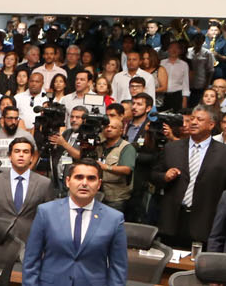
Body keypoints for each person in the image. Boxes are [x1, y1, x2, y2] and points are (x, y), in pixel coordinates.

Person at [23, 159, 128, 286]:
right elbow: (31, 260)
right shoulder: (46, 212)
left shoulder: (114, 218)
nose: (84, 183)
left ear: (99, 184)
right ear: (68, 181)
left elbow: (119, 268)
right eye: (79, 177)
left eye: (91, 178)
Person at [153, 105, 226, 249]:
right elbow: (154, 175)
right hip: (172, 220)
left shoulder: (223, 153)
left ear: (211, 125)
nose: (193, 122)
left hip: (205, 221)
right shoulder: (172, 148)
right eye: (192, 119)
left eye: (199, 119)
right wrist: (164, 177)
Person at [0, 136, 51, 240]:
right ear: (10, 156)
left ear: (31, 157)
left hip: (32, 240)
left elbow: (48, 218)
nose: (21, 155)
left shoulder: (44, 183)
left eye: (25, 152)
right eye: (17, 151)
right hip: (1, 241)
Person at [96, 116, 137, 212]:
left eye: (113, 127)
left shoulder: (126, 147)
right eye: (107, 127)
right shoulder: (99, 145)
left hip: (116, 197)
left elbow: (127, 169)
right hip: (98, 193)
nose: (109, 129)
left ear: (121, 131)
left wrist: (106, 167)